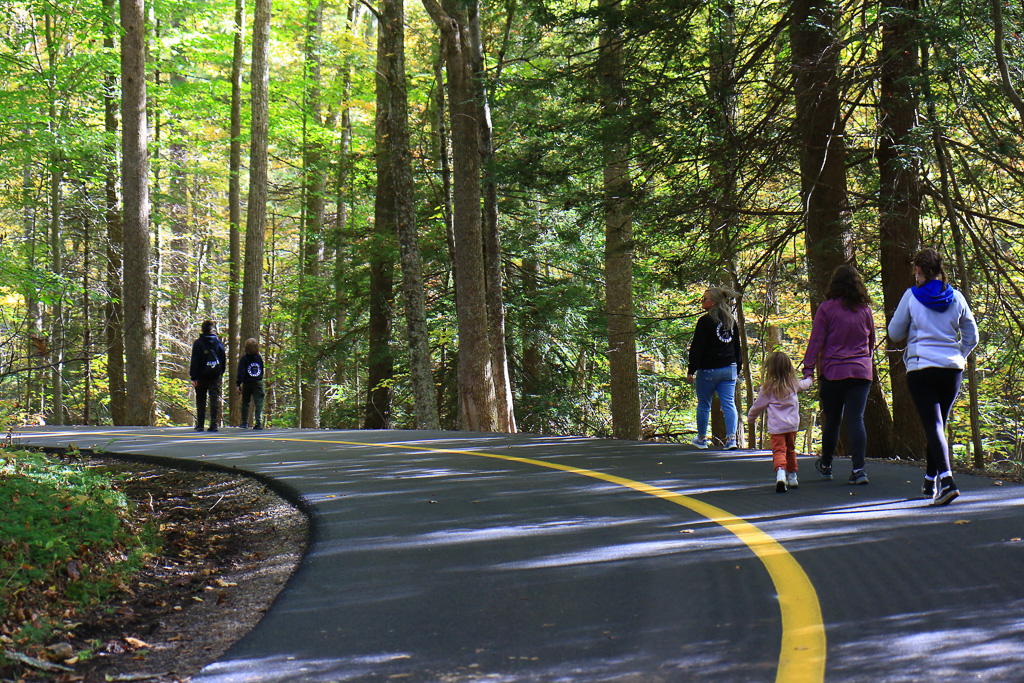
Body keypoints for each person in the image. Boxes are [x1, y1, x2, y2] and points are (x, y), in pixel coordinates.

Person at [888, 248, 978, 505]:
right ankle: (930, 480)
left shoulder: (911, 297)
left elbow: (895, 333)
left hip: (921, 369)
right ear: (940, 270)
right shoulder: (957, 297)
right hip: (951, 370)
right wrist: (957, 354)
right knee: (937, 423)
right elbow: (972, 336)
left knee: (933, 424)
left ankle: (948, 482)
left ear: (918, 271)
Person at [801, 265, 875, 484]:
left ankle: (826, 465)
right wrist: (863, 360)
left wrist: (809, 369)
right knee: (856, 418)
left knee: (833, 419)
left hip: (833, 372)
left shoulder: (826, 309)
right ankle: (859, 470)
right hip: (861, 372)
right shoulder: (865, 310)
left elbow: (816, 341)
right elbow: (871, 342)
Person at [747, 351, 814, 492]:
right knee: (790, 450)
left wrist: (750, 418)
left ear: (770, 370)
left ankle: (781, 474)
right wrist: (810, 378)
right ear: (788, 368)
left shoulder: (767, 389)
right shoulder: (793, 384)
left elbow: (758, 406)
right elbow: (805, 384)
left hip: (777, 428)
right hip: (792, 426)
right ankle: (793, 476)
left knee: (779, 451)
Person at [687, 286, 742, 450]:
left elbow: (698, 347)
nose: (703, 301)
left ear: (714, 302)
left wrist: (692, 369)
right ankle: (732, 439)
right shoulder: (730, 321)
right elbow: (736, 347)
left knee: (704, 404)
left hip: (709, 370)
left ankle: (702, 439)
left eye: (705, 298)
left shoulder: (705, 321)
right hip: (729, 368)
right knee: (729, 404)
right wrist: (737, 368)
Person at [189, 320, 227, 432]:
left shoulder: (198, 343)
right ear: (212, 330)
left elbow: (194, 361)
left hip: (201, 376)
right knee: (214, 398)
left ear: (202, 330)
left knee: (201, 399)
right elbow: (223, 359)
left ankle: (200, 424)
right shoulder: (218, 343)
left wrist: (194, 376)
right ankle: (213, 424)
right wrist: (221, 372)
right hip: (215, 375)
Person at [236, 337, 266, 430]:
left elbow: (241, 372)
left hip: (247, 383)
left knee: (245, 402)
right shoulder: (259, 358)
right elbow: (261, 370)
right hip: (257, 382)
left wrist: (238, 384)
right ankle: (258, 422)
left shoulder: (244, 359)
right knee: (259, 403)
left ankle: (244, 422)